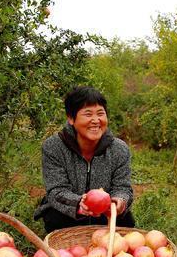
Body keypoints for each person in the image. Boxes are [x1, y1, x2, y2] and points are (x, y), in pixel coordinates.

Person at [34, 86, 135, 233]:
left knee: (126, 223)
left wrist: (119, 201)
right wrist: (79, 203)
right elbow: (56, 190)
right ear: (71, 118)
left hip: (105, 214)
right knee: (55, 215)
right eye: (88, 114)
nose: (96, 120)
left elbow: (123, 188)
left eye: (101, 113)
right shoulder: (53, 147)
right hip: (69, 214)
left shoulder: (119, 149)